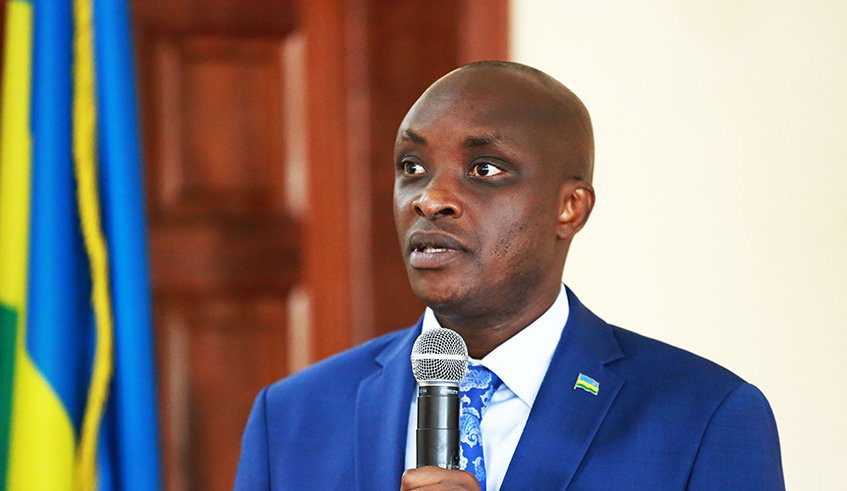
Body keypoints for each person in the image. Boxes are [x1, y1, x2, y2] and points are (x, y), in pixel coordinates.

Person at [233, 61, 784, 491]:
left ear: (570, 208)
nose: (431, 199)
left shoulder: (704, 416)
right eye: (412, 167)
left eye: (484, 170)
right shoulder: (290, 418)